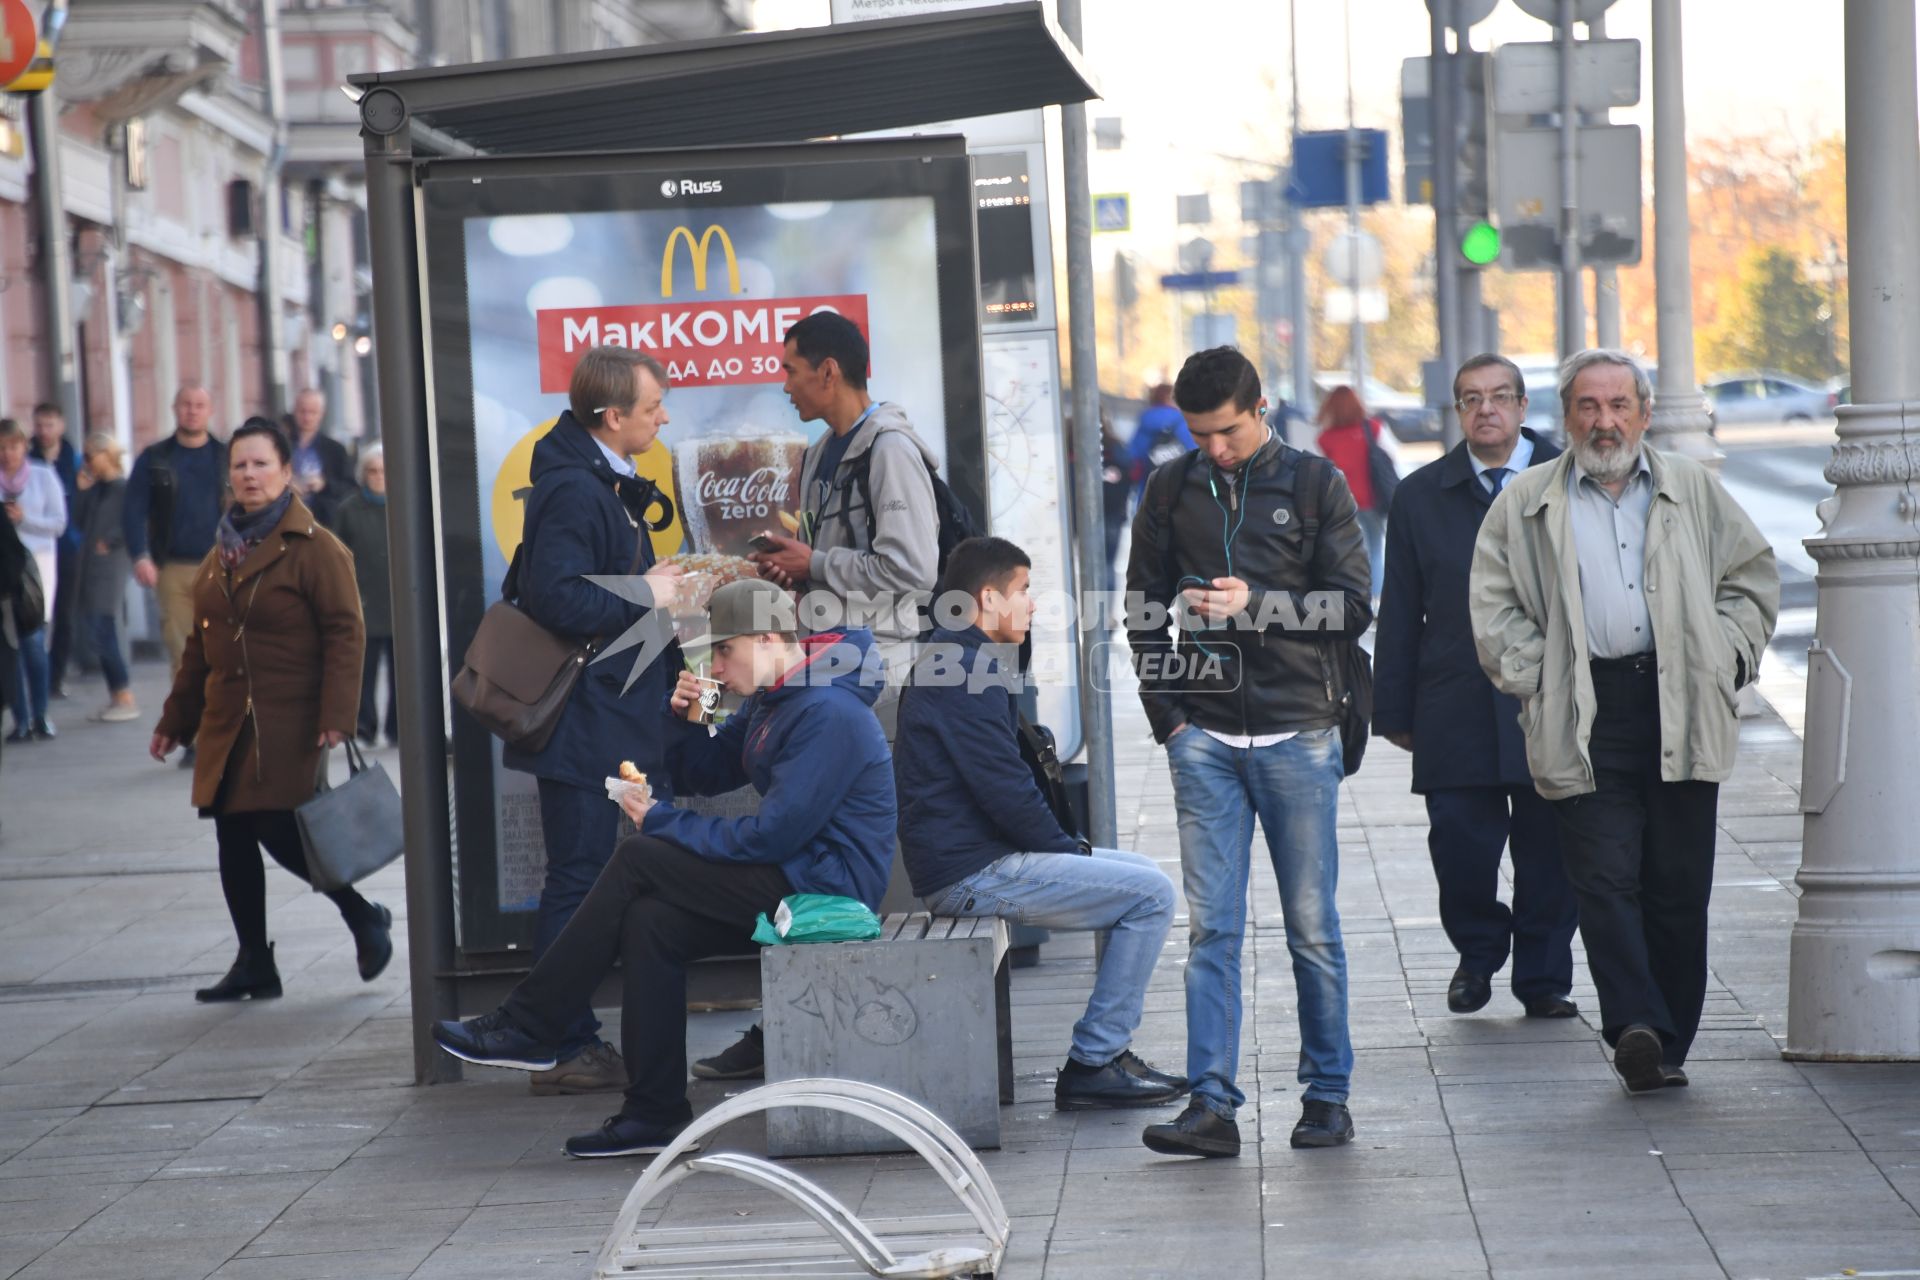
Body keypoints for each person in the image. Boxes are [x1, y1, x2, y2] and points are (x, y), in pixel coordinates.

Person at [432, 579, 896, 1159]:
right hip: (792, 874)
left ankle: (532, 1023)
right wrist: (683, 719)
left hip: (828, 890)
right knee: (651, 922)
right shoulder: (772, 699)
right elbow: (705, 773)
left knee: (638, 855)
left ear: (770, 638)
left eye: (725, 651)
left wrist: (658, 821)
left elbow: (773, 834)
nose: (717, 667)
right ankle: (654, 1114)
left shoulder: (827, 710)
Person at [1470, 349, 1778, 1092]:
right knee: (1604, 880)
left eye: (1618, 406)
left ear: (1642, 413)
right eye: (1588, 406)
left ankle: (1667, 1042)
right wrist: (1540, 678)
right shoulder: (1528, 500)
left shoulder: (1692, 491)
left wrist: (1723, 657)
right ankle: (1635, 1023)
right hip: (1583, 707)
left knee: (1676, 886)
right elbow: (1493, 602)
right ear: (1567, 416)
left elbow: (1752, 579)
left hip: (1679, 703)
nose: (1604, 422)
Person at [1125, 346, 1373, 1157]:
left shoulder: (1313, 483)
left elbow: (1353, 609)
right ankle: (1211, 1107)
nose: (1215, 449)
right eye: (1201, 436)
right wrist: (1171, 721)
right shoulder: (1169, 487)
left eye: (1227, 432)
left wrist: (1257, 605)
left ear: (1260, 408)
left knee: (1312, 927)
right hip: (1204, 741)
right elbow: (1138, 608)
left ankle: (1327, 1098)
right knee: (1212, 932)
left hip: (1299, 732)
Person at [896, 535, 1185, 1111]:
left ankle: (1103, 1055)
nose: (1032, 605)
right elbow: (1003, 788)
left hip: (977, 858)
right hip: (971, 873)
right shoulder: (961, 670)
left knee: (1144, 872)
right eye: (1023, 592)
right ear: (988, 598)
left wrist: (1067, 851)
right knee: (1150, 894)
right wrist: (1064, 850)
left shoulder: (961, 658)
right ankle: (1095, 1060)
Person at [149, 418, 393, 1002]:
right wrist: (173, 723)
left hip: (292, 719)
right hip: (226, 721)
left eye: (261, 464)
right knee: (232, 834)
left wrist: (339, 713)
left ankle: (362, 915)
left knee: (278, 826)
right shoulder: (220, 553)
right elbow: (199, 648)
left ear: (287, 472)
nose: (250, 475)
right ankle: (255, 961)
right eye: (240, 465)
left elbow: (345, 631)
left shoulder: (315, 547)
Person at [502, 346, 685, 1097]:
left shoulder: (596, 479)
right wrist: (646, 592)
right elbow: (559, 600)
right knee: (577, 879)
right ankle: (562, 1043)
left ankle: (563, 1038)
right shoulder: (578, 490)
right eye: (652, 408)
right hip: (582, 721)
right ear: (613, 418)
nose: (663, 417)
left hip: (606, 715)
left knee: (585, 875)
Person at [1373, 354, 1578, 1021]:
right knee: (1459, 843)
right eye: (1470, 399)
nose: (1485, 409)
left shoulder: (1571, 479)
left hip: (1553, 699)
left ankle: (1544, 977)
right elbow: (1400, 606)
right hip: (1454, 700)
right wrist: (1393, 707)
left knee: (1552, 850)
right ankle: (1480, 950)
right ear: (1456, 412)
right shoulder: (1421, 494)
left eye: (1498, 397)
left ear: (1522, 407)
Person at [749, 310, 940, 733]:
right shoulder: (817, 453)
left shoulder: (890, 450)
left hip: (882, 674)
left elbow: (913, 570)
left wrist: (814, 564)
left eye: (791, 370)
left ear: (829, 372)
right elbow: (827, 560)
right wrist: (794, 570)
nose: (785, 386)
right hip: (831, 665)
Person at [126, 385, 227, 767]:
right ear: (175, 409)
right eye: (186, 405)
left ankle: (223, 732)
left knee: (224, 651)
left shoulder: (224, 456)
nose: (192, 411)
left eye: (200, 405)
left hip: (222, 565)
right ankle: (196, 737)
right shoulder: (155, 459)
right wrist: (140, 555)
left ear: (210, 410)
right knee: (183, 653)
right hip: (173, 568)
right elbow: (134, 510)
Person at [0, 418, 67, 741]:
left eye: (12, 446)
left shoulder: (42, 476)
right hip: (3, 571)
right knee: (9, 648)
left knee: (34, 644)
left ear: (24, 446)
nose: (7, 454)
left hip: (36, 569)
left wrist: (24, 519)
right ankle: (20, 718)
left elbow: (58, 523)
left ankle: (41, 714)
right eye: (1, 448)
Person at [73, 434, 139, 723]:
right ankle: (116, 694)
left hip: (111, 565)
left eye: (91, 456)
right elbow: (76, 519)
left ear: (106, 453)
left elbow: (136, 523)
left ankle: (124, 694)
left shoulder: (124, 488)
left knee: (103, 625)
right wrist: (81, 489)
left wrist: (110, 541)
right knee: (97, 626)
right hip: (91, 565)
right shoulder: (96, 488)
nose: (87, 462)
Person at [333, 446, 395, 746]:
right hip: (363, 601)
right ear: (363, 475)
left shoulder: (403, 504)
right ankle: (365, 726)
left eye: (384, 471)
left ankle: (398, 727)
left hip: (398, 602)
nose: (379, 477)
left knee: (402, 671)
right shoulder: (349, 509)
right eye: (373, 471)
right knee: (364, 670)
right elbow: (337, 554)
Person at [1315, 385, 1390, 600]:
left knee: (1351, 551)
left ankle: (1355, 594)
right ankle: (1376, 598)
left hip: (1342, 502)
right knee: (1375, 550)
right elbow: (1389, 456)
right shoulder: (1373, 428)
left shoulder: (1326, 439)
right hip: (1373, 498)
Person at [30, 404, 80, 699]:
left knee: (65, 613)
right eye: (39, 425)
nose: (44, 431)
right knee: (35, 613)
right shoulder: (26, 460)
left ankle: (56, 677)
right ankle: (35, 675)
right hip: (34, 549)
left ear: (60, 425)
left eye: (49, 424)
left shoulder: (73, 460)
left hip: (69, 546)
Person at [284, 389, 355, 527]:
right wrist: (286, 484)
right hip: (287, 519)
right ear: (295, 411)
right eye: (302, 411)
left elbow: (350, 488)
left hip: (325, 522)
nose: (307, 417)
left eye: (313, 412)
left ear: (322, 413)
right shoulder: (281, 446)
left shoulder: (335, 449)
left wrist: (324, 484)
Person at [1127, 382, 1194, 501]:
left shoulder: (1144, 421)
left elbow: (1133, 456)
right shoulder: (1184, 422)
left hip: (1149, 493)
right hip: (1180, 494)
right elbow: (1196, 455)